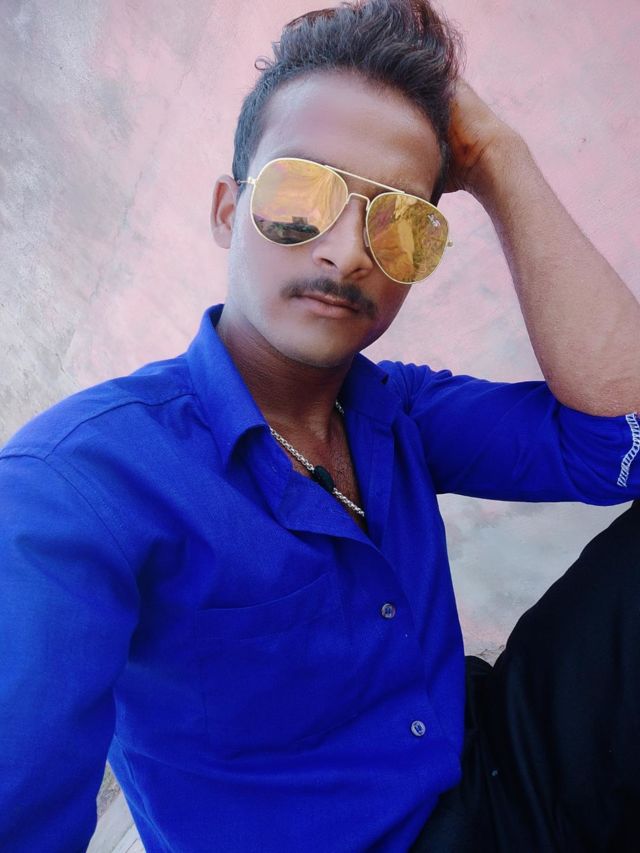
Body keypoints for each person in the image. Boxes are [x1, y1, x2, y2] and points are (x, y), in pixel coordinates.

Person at [1, 0, 639, 850]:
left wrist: (496, 157)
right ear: (226, 210)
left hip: (488, 765)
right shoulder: (78, 485)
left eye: (400, 222)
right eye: (301, 194)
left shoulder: (397, 408)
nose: (348, 251)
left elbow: (619, 440)